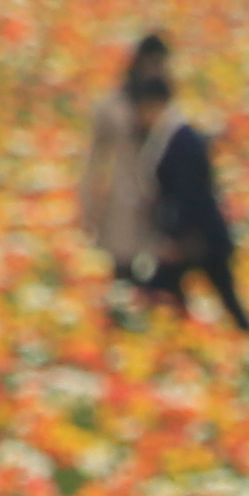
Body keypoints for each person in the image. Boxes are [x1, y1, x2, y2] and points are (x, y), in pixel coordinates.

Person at [79, 38, 175, 311]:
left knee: (157, 269)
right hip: (121, 196)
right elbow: (95, 159)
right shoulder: (113, 106)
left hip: (157, 194)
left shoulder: (166, 103)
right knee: (122, 265)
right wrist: (89, 204)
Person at [145, 82, 247, 329]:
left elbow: (189, 192)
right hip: (200, 232)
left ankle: (181, 333)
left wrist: (176, 235)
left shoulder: (179, 139)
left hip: (197, 234)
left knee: (164, 287)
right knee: (219, 292)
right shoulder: (172, 136)